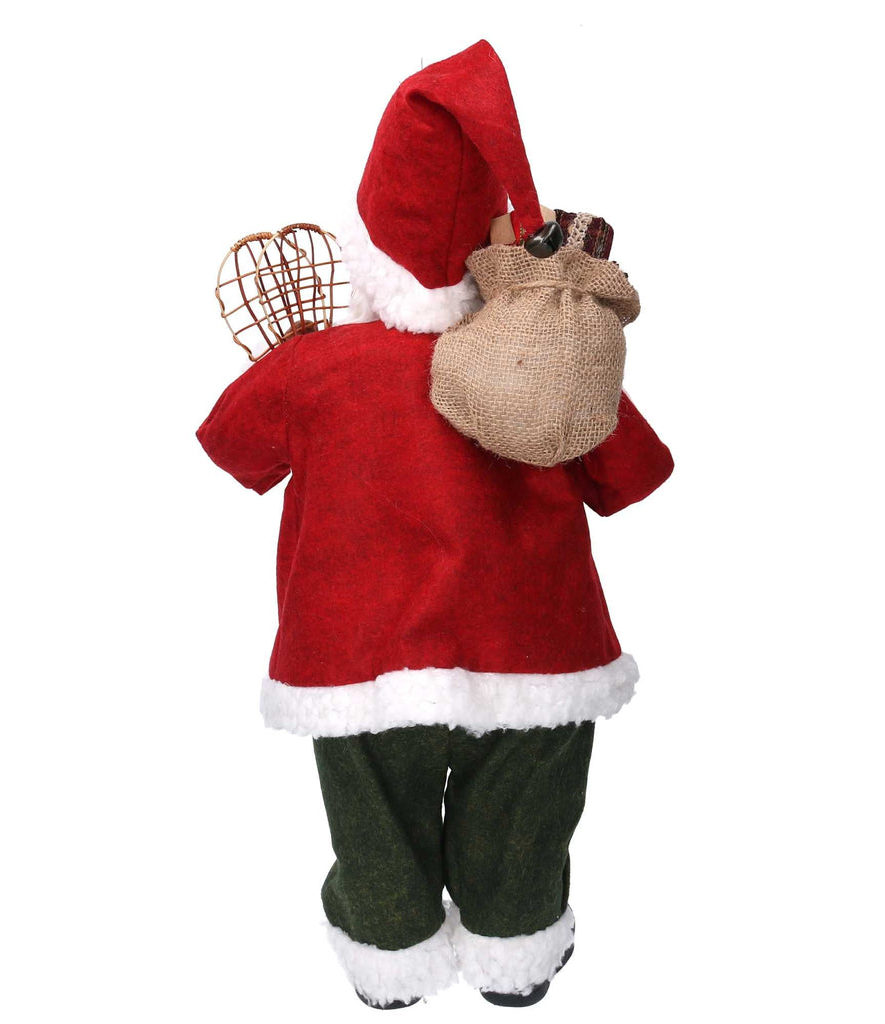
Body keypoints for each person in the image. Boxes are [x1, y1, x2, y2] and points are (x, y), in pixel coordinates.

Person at [196, 39, 673, 1009]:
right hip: (538, 651)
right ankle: (516, 953)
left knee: (374, 825)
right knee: (524, 822)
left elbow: (231, 447)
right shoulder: (545, 356)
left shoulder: (313, 369)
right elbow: (633, 474)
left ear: (367, 239)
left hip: (359, 658)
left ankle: (390, 959)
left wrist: (295, 369)